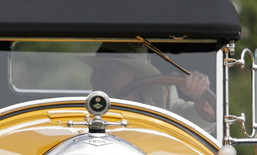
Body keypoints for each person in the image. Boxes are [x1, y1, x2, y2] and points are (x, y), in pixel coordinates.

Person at [80, 43, 216, 131]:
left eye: (109, 70)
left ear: (136, 77)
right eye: (96, 70)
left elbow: (203, 122)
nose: (98, 76)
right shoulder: (79, 113)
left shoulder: (162, 106)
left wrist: (199, 96)